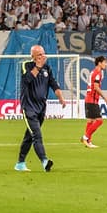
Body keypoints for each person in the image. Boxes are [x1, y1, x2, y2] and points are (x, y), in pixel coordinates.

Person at [15, 44, 66, 172]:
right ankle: (44, 161)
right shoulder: (26, 65)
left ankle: (20, 163)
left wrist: (61, 98)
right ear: (33, 57)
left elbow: (53, 84)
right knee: (37, 135)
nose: (42, 57)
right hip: (29, 107)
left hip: (41, 108)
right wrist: (37, 67)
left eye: (43, 54)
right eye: (39, 55)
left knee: (29, 137)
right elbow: (27, 80)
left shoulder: (47, 69)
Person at [82, 55, 107, 148]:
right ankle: (85, 137)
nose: (106, 64)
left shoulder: (93, 72)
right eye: (105, 62)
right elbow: (96, 87)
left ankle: (88, 141)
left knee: (90, 121)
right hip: (92, 100)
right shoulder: (98, 73)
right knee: (99, 121)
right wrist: (105, 97)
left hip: (88, 99)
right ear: (100, 63)